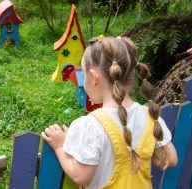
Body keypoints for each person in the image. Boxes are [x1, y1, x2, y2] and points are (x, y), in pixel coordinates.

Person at [42, 36, 177, 189]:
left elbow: (80, 176)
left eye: (84, 75)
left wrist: (60, 146)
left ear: (94, 78)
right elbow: (169, 159)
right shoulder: (150, 116)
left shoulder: (90, 125)